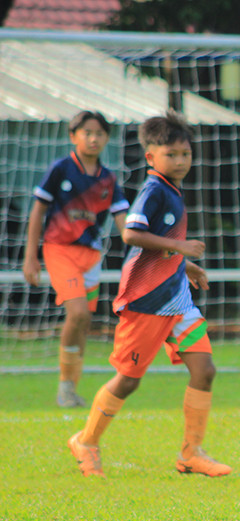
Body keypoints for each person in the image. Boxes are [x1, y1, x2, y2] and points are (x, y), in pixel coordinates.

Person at [67, 111, 230, 479]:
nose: (181, 161)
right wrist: (184, 249)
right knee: (128, 379)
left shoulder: (172, 190)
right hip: (146, 303)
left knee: (204, 370)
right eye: (171, 154)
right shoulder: (153, 190)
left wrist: (183, 265)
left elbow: (160, 247)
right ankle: (86, 441)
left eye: (185, 153)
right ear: (151, 157)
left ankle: (191, 452)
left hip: (177, 301)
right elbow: (131, 235)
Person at [22, 110, 130, 408]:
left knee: (84, 322)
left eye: (99, 133)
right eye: (87, 132)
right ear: (74, 137)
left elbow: (125, 225)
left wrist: (145, 246)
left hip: (91, 256)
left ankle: (70, 388)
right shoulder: (61, 169)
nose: (93, 138)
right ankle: (65, 388)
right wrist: (30, 257)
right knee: (79, 312)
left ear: (107, 138)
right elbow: (37, 211)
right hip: (59, 249)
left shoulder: (108, 179)